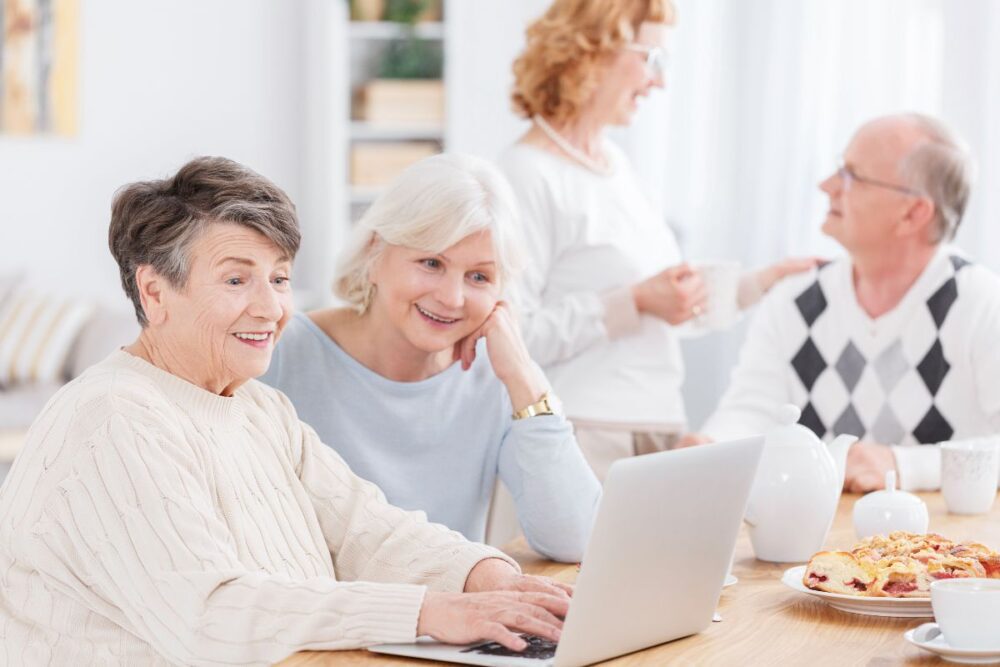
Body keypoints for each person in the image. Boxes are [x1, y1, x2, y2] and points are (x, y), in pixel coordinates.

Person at [0, 157, 572, 665]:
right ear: (154, 293)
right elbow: (209, 615)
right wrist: (427, 611)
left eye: (279, 279)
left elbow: (366, 528)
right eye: (236, 279)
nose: (271, 307)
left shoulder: (257, 406)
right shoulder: (113, 419)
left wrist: (490, 579)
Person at [497, 0, 815, 480]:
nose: (660, 81)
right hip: (582, 437)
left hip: (659, 428)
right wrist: (635, 300)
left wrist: (760, 284)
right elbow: (515, 338)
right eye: (653, 60)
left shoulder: (617, 168)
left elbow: (670, 309)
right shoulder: (526, 174)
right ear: (593, 51)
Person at [260, 153, 600, 563]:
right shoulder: (281, 352)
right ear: (374, 255)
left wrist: (524, 377)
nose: (452, 298)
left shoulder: (497, 377)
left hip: (449, 621)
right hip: (324, 619)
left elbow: (577, 536)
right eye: (432, 263)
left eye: (479, 276)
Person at [697, 113, 1000, 492]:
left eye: (852, 176)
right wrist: (708, 449)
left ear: (914, 213)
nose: (827, 186)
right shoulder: (795, 299)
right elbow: (752, 412)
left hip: (943, 548)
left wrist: (903, 465)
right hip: (820, 544)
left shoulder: (982, 302)